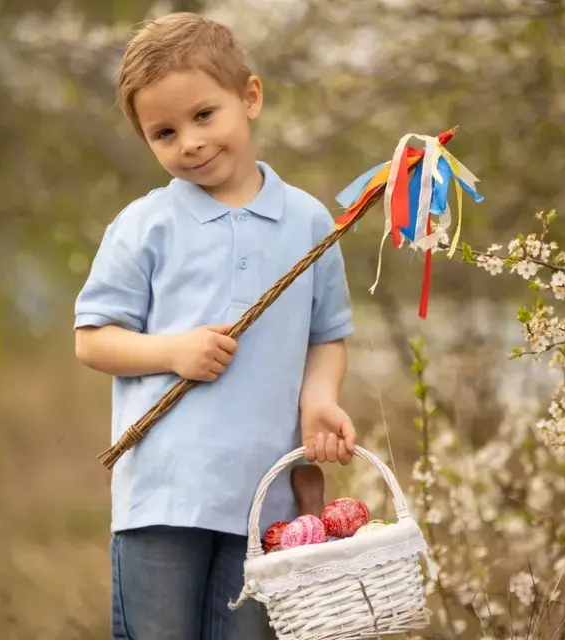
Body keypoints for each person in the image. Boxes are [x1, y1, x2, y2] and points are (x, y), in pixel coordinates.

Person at [73, 11, 357, 640]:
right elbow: (92, 340)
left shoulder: (309, 223)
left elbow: (325, 335)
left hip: (265, 499)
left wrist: (319, 402)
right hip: (161, 494)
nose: (191, 143)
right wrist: (173, 351)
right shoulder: (145, 225)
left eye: (205, 116)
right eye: (164, 132)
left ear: (249, 97)